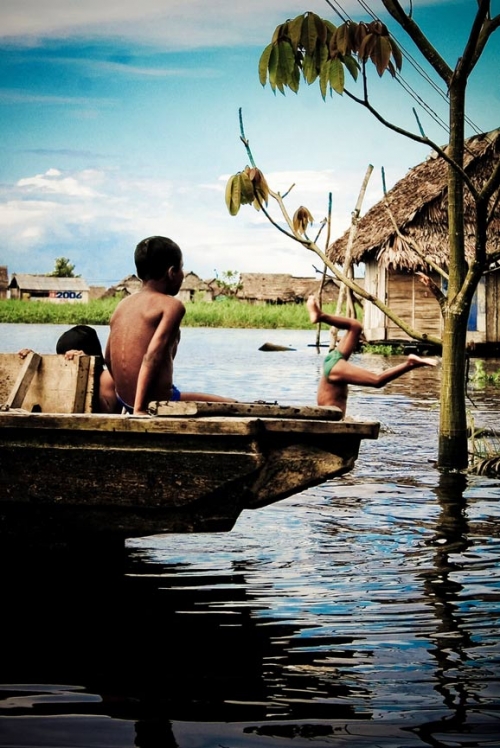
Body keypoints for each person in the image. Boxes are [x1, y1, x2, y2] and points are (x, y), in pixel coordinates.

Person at [106, 235, 236, 415]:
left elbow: (108, 358)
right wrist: (140, 409)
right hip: (153, 402)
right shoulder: (171, 306)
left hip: (125, 398)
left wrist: (127, 396)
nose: (183, 273)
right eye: (182, 268)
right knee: (231, 405)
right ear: (172, 272)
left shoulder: (122, 305)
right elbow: (152, 357)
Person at [307, 295, 437, 415]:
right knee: (377, 380)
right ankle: (410, 363)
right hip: (333, 367)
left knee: (355, 326)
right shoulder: (329, 411)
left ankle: (321, 316)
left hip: (334, 365)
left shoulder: (330, 398)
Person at [19, 325, 118, 413]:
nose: (67, 362)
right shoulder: (56, 373)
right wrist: (33, 362)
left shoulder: (106, 378)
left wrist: (86, 366)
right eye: (62, 358)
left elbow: (108, 412)